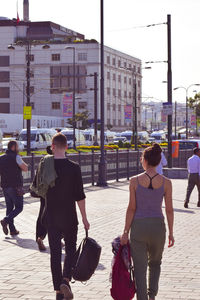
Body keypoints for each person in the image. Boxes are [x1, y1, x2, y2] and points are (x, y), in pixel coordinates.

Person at [32, 133, 90, 300]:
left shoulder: (44, 166)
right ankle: (65, 279)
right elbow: (80, 195)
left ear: (52, 145)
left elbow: (35, 190)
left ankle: (58, 291)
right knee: (71, 248)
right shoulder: (74, 168)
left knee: (55, 254)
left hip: (50, 216)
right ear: (66, 147)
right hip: (69, 216)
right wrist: (85, 218)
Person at [121, 143, 174, 300]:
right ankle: (152, 296)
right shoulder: (166, 182)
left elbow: (131, 208)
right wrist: (171, 232)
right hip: (158, 227)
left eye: (141, 158)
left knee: (140, 268)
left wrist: (125, 232)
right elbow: (169, 210)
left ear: (145, 160)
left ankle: (143, 298)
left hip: (139, 227)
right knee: (155, 263)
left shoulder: (134, 181)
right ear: (158, 162)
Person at [0, 140, 28, 236]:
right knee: (19, 207)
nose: (18, 148)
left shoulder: (1, 158)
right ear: (13, 147)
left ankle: (12, 230)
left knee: (9, 208)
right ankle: (5, 220)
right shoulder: (16, 157)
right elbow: (25, 168)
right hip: (16, 186)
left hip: (5, 186)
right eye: (17, 146)